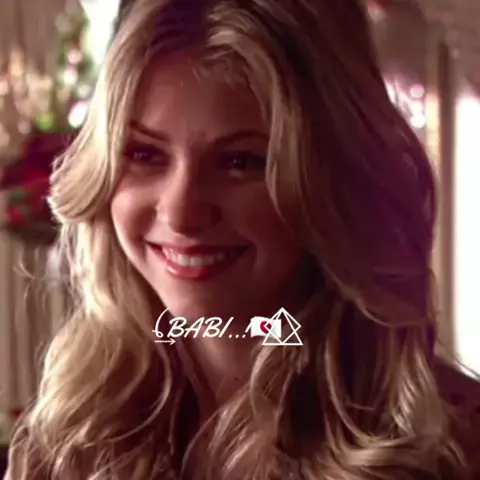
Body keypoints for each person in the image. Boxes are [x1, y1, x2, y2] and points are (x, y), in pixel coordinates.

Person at [5, 0, 480, 479]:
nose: (181, 214)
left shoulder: (452, 445)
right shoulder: (64, 440)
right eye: (145, 154)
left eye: (240, 162)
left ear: (331, 179)